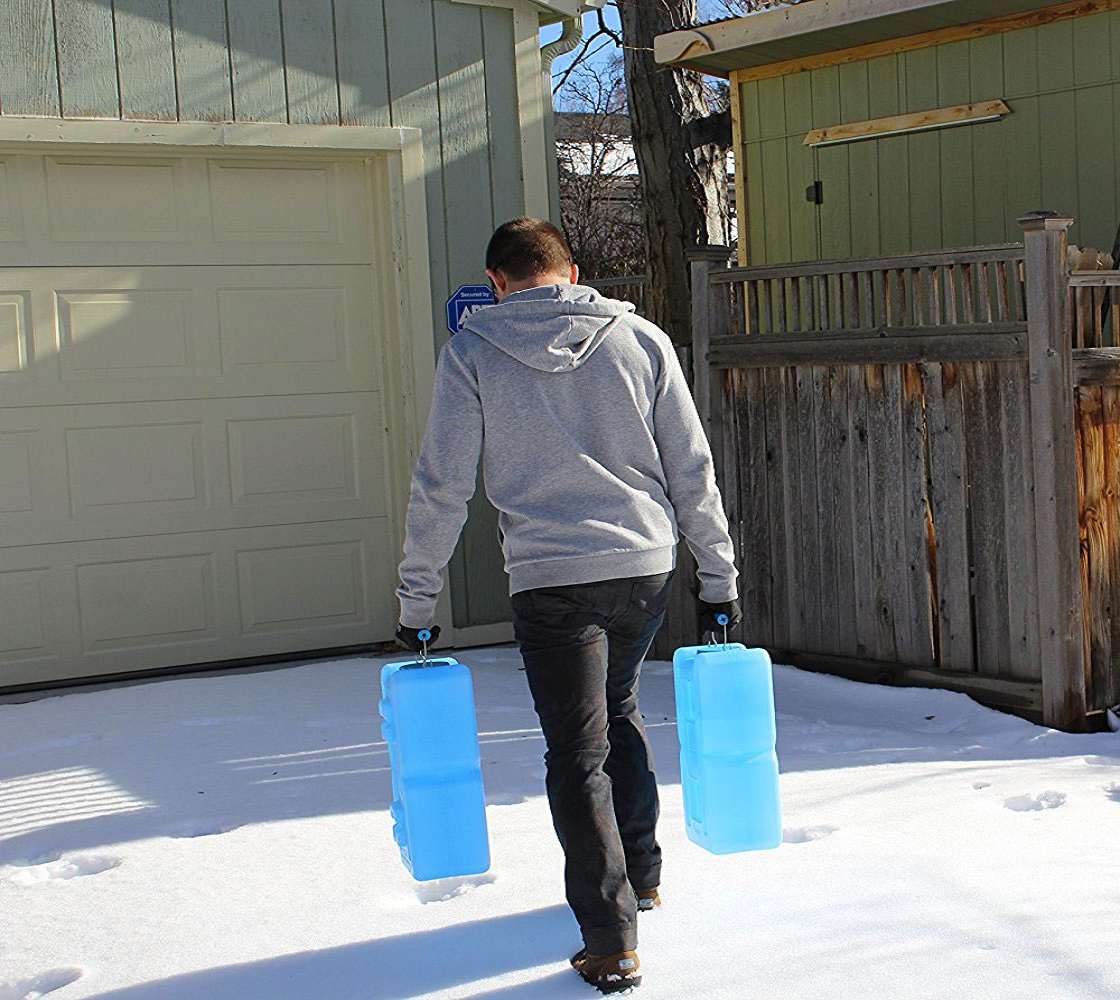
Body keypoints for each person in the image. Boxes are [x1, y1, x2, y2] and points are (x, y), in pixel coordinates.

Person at [395, 218, 740, 994]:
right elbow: (692, 465)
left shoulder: (475, 351)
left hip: (551, 579)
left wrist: (418, 598)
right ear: (573, 271)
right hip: (645, 565)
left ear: (497, 282)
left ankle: (611, 938)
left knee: (577, 753)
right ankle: (642, 877)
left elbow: (441, 483)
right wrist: (717, 576)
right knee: (618, 711)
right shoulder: (641, 339)